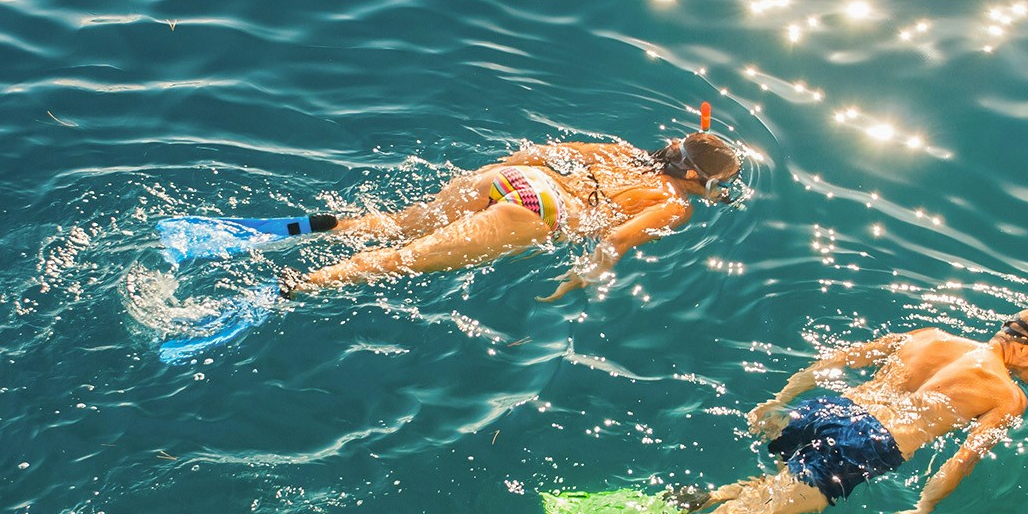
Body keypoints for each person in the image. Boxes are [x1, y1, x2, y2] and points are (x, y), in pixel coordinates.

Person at [592, 291, 1028, 514]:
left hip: (824, 409)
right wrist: (920, 510)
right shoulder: (1007, 396)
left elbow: (838, 358)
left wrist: (780, 399)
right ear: (1026, 347)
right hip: (867, 442)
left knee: (768, 490)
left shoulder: (931, 336)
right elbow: (964, 459)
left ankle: (694, 499)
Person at [281, 127, 742, 300]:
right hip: (544, 210)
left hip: (513, 177)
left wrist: (499, 173)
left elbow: (539, 150)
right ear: (703, 180)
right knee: (404, 260)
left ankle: (313, 230)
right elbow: (614, 240)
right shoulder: (674, 205)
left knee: (400, 223)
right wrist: (581, 279)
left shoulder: (620, 150)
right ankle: (301, 284)